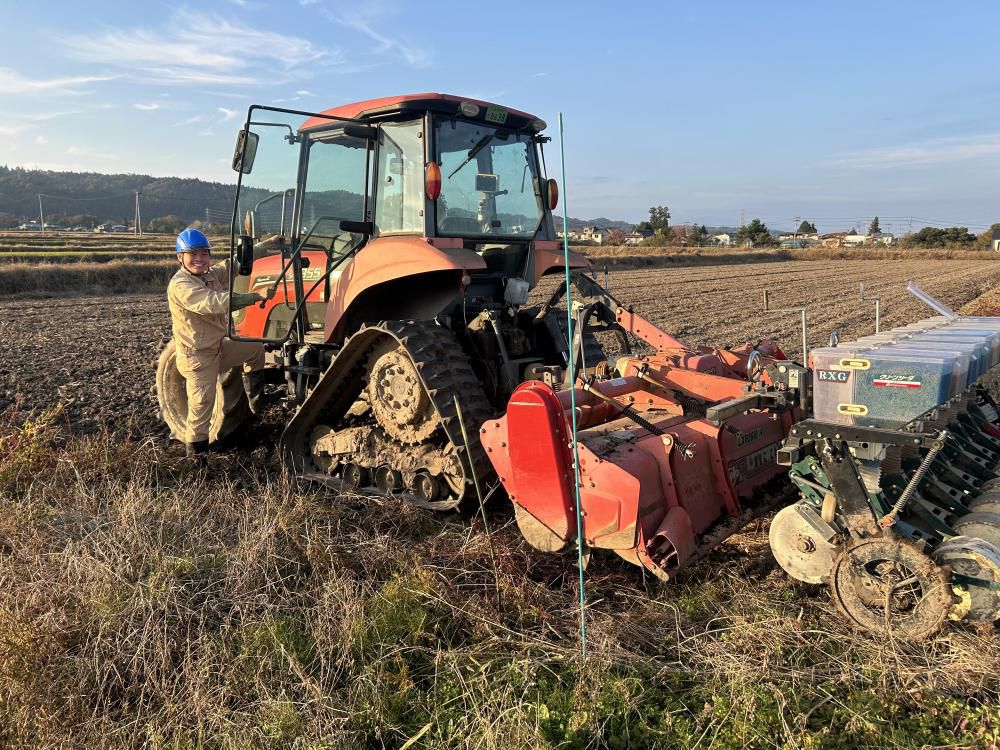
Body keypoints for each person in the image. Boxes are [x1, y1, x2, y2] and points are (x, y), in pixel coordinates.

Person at [167, 228, 273, 457]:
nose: (199, 259)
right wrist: (254, 296)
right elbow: (213, 302)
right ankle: (197, 462)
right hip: (198, 356)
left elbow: (234, 263)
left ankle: (257, 404)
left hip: (219, 347)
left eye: (204, 253)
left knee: (254, 349)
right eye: (192, 254)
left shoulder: (210, 274)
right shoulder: (181, 285)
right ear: (180, 257)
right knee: (201, 407)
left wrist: (271, 244)